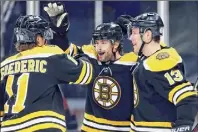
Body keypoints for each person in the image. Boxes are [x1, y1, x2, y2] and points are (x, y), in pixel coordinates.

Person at [44, 2, 137, 131]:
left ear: (115, 45)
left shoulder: (132, 62)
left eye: (103, 43)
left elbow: (154, 53)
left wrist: (137, 32)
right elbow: (64, 53)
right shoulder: (91, 55)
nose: (98, 47)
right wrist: (59, 33)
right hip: (90, 128)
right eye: (96, 42)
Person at [0, 15, 93, 132]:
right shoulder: (49, 54)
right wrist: (80, 53)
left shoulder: (4, 65)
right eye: (44, 36)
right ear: (38, 39)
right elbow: (86, 74)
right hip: (43, 126)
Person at [127, 12, 198, 132]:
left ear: (148, 35)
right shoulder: (149, 56)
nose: (130, 37)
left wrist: (183, 125)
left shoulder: (159, 62)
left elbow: (186, 97)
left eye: (134, 33)